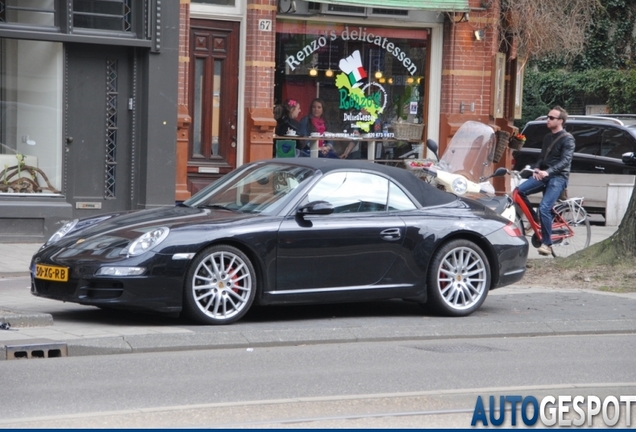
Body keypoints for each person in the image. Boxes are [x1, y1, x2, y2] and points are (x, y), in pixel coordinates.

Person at [516, 106, 575, 256]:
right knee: (517, 192)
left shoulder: (568, 138)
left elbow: (565, 161)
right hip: (543, 175)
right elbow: (542, 157)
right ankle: (534, 219)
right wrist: (537, 169)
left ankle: (547, 244)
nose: (547, 120)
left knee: (544, 207)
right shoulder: (548, 137)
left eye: (551, 118)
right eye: (547, 117)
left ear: (560, 121)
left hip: (558, 177)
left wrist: (547, 171)